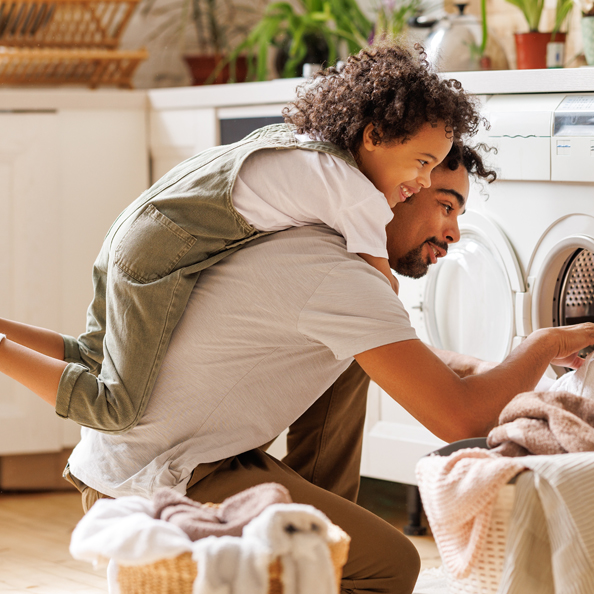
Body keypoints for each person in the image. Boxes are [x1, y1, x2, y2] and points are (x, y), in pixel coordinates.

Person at [54, 143, 594, 594]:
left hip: (152, 459)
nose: (453, 234)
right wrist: (543, 343)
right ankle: (312, 561)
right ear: (401, 190)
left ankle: (314, 547)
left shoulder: (319, 245)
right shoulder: (335, 277)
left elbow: (400, 354)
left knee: (356, 362)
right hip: (157, 483)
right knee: (392, 567)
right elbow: (463, 421)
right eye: (445, 206)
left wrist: (499, 363)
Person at [0, 43, 482, 433]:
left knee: (91, 355)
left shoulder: (311, 148)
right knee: (114, 408)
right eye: (422, 164)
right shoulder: (356, 193)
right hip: (160, 254)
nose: (421, 181)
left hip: (136, 231)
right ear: (374, 135)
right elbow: (383, 293)